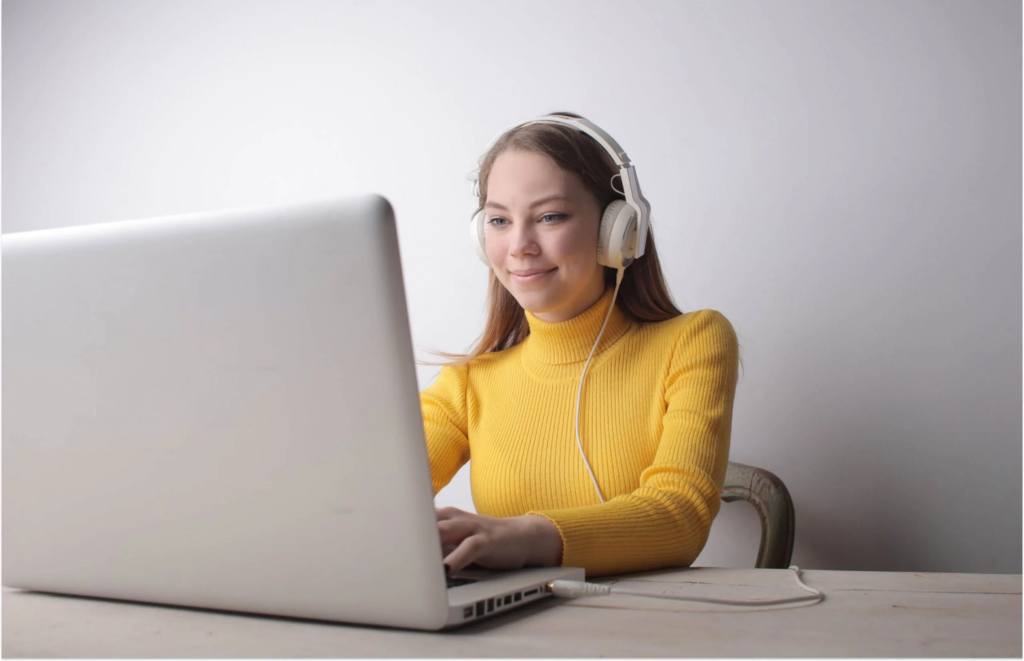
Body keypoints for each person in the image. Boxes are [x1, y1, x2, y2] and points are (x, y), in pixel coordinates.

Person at [419, 112, 741, 578]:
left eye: (550, 216)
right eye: (499, 220)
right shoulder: (468, 384)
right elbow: (371, 498)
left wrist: (525, 537)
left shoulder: (693, 341)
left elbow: (681, 515)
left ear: (618, 230)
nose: (519, 246)